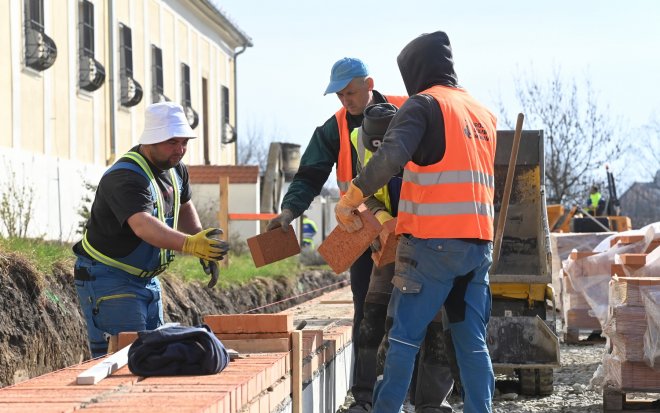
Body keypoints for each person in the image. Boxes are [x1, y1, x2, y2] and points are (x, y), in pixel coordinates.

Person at [335, 31, 497, 413]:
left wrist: (352, 197)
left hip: (432, 245)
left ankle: (386, 408)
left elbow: (390, 157)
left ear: (417, 71)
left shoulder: (423, 104)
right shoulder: (482, 112)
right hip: (478, 245)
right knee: (472, 341)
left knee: (404, 338)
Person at [266, 57, 407, 412]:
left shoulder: (408, 111)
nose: (346, 100)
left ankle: (414, 394)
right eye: (340, 95)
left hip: (409, 229)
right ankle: (364, 396)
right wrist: (288, 212)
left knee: (409, 313)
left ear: (369, 83)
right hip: (361, 230)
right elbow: (309, 175)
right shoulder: (336, 127)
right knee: (367, 311)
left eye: (351, 92)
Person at [73, 102, 229, 358]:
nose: (180, 150)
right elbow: (143, 226)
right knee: (123, 362)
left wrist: (203, 245)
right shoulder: (125, 177)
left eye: (184, 143)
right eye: (172, 142)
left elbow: (185, 207)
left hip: (146, 279)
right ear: (151, 140)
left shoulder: (175, 169)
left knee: (151, 359)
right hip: (109, 277)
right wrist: (190, 245)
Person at [353, 102, 457, 412]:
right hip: (390, 244)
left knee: (436, 325)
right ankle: (367, 399)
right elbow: (365, 194)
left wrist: (413, 225)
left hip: (432, 245)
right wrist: (382, 221)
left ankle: (432, 404)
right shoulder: (360, 141)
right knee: (373, 319)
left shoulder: (428, 140)